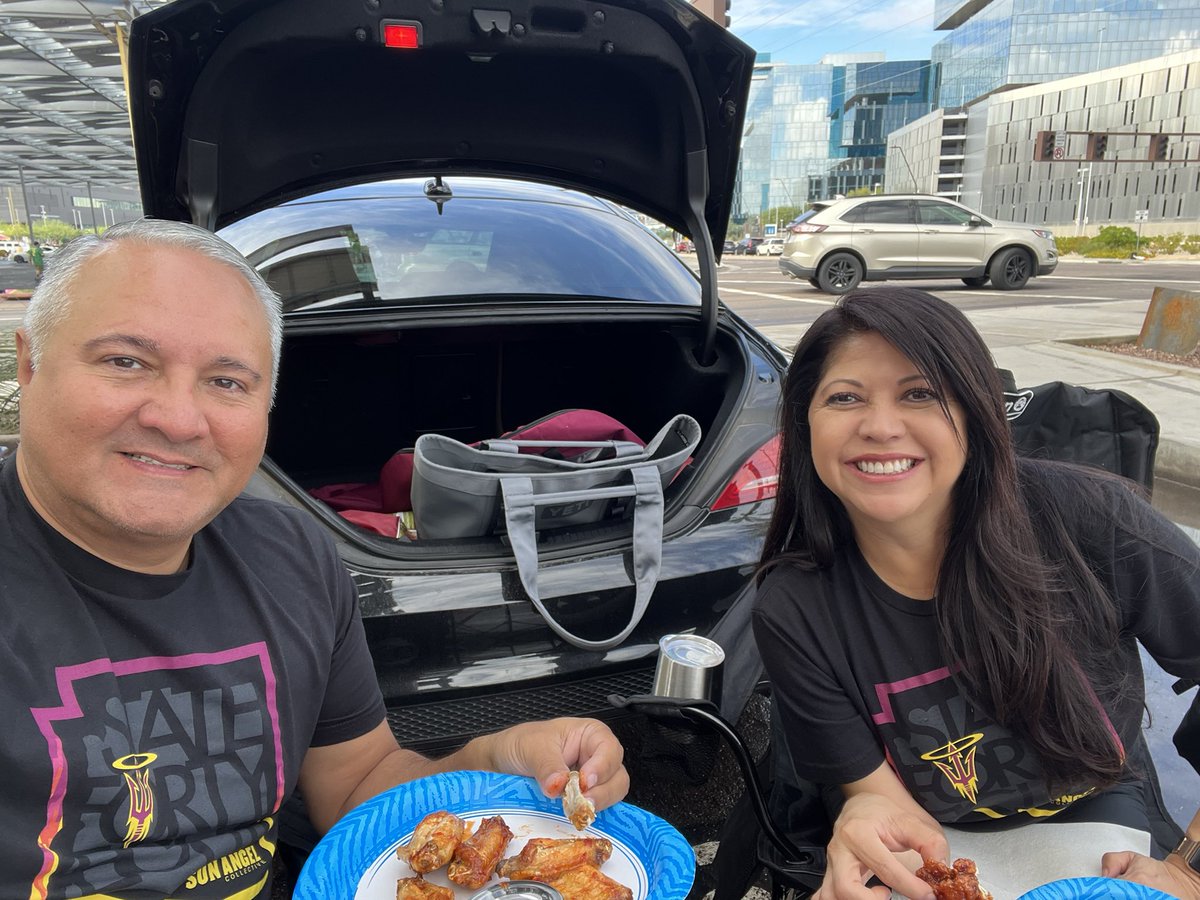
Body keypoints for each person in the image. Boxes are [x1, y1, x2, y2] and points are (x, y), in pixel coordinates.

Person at [1, 219, 628, 897]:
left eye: (227, 382)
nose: (179, 419)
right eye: (126, 361)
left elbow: (357, 785)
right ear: (28, 361)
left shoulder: (292, 556)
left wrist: (493, 757)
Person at [751, 286, 1200, 900]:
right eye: (845, 397)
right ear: (806, 424)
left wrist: (1188, 867)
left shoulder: (1090, 521)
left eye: (920, 394)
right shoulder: (795, 604)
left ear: (973, 412)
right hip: (939, 837)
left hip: (1102, 821)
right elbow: (875, 795)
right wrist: (866, 823)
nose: (880, 427)